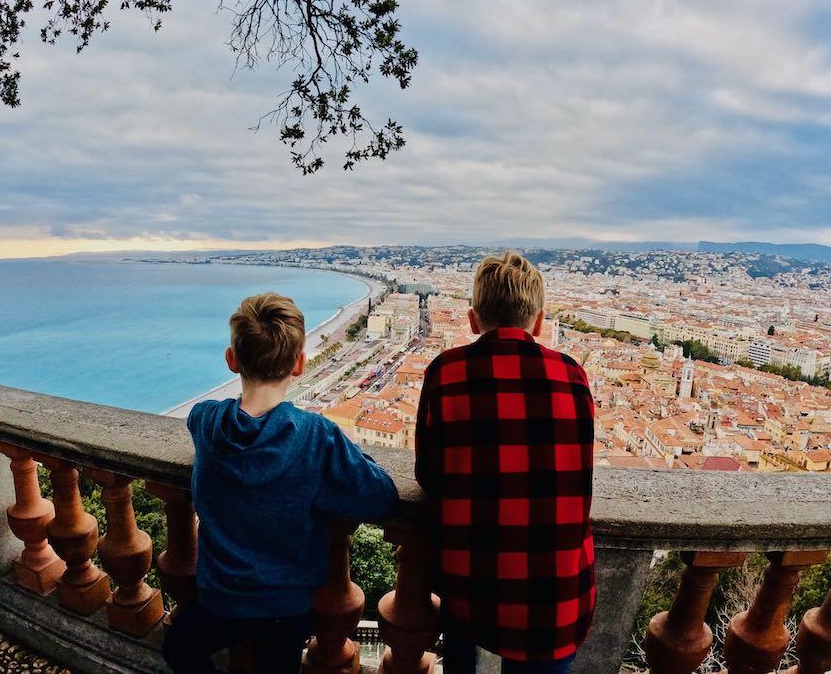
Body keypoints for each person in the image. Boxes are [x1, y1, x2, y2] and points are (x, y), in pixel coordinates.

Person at [162, 292, 400, 674]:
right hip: (286, 609)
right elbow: (382, 496)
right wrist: (352, 454)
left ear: (231, 360)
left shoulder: (206, 420)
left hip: (220, 599)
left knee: (177, 648)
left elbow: (199, 418)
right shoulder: (316, 437)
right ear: (300, 364)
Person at [415, 252, 596, 673]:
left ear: (473, 320)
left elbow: (428, 474)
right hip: (556, 593)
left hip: (470, 582)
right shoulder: (572, 376)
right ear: (538, 321)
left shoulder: (445, 373)